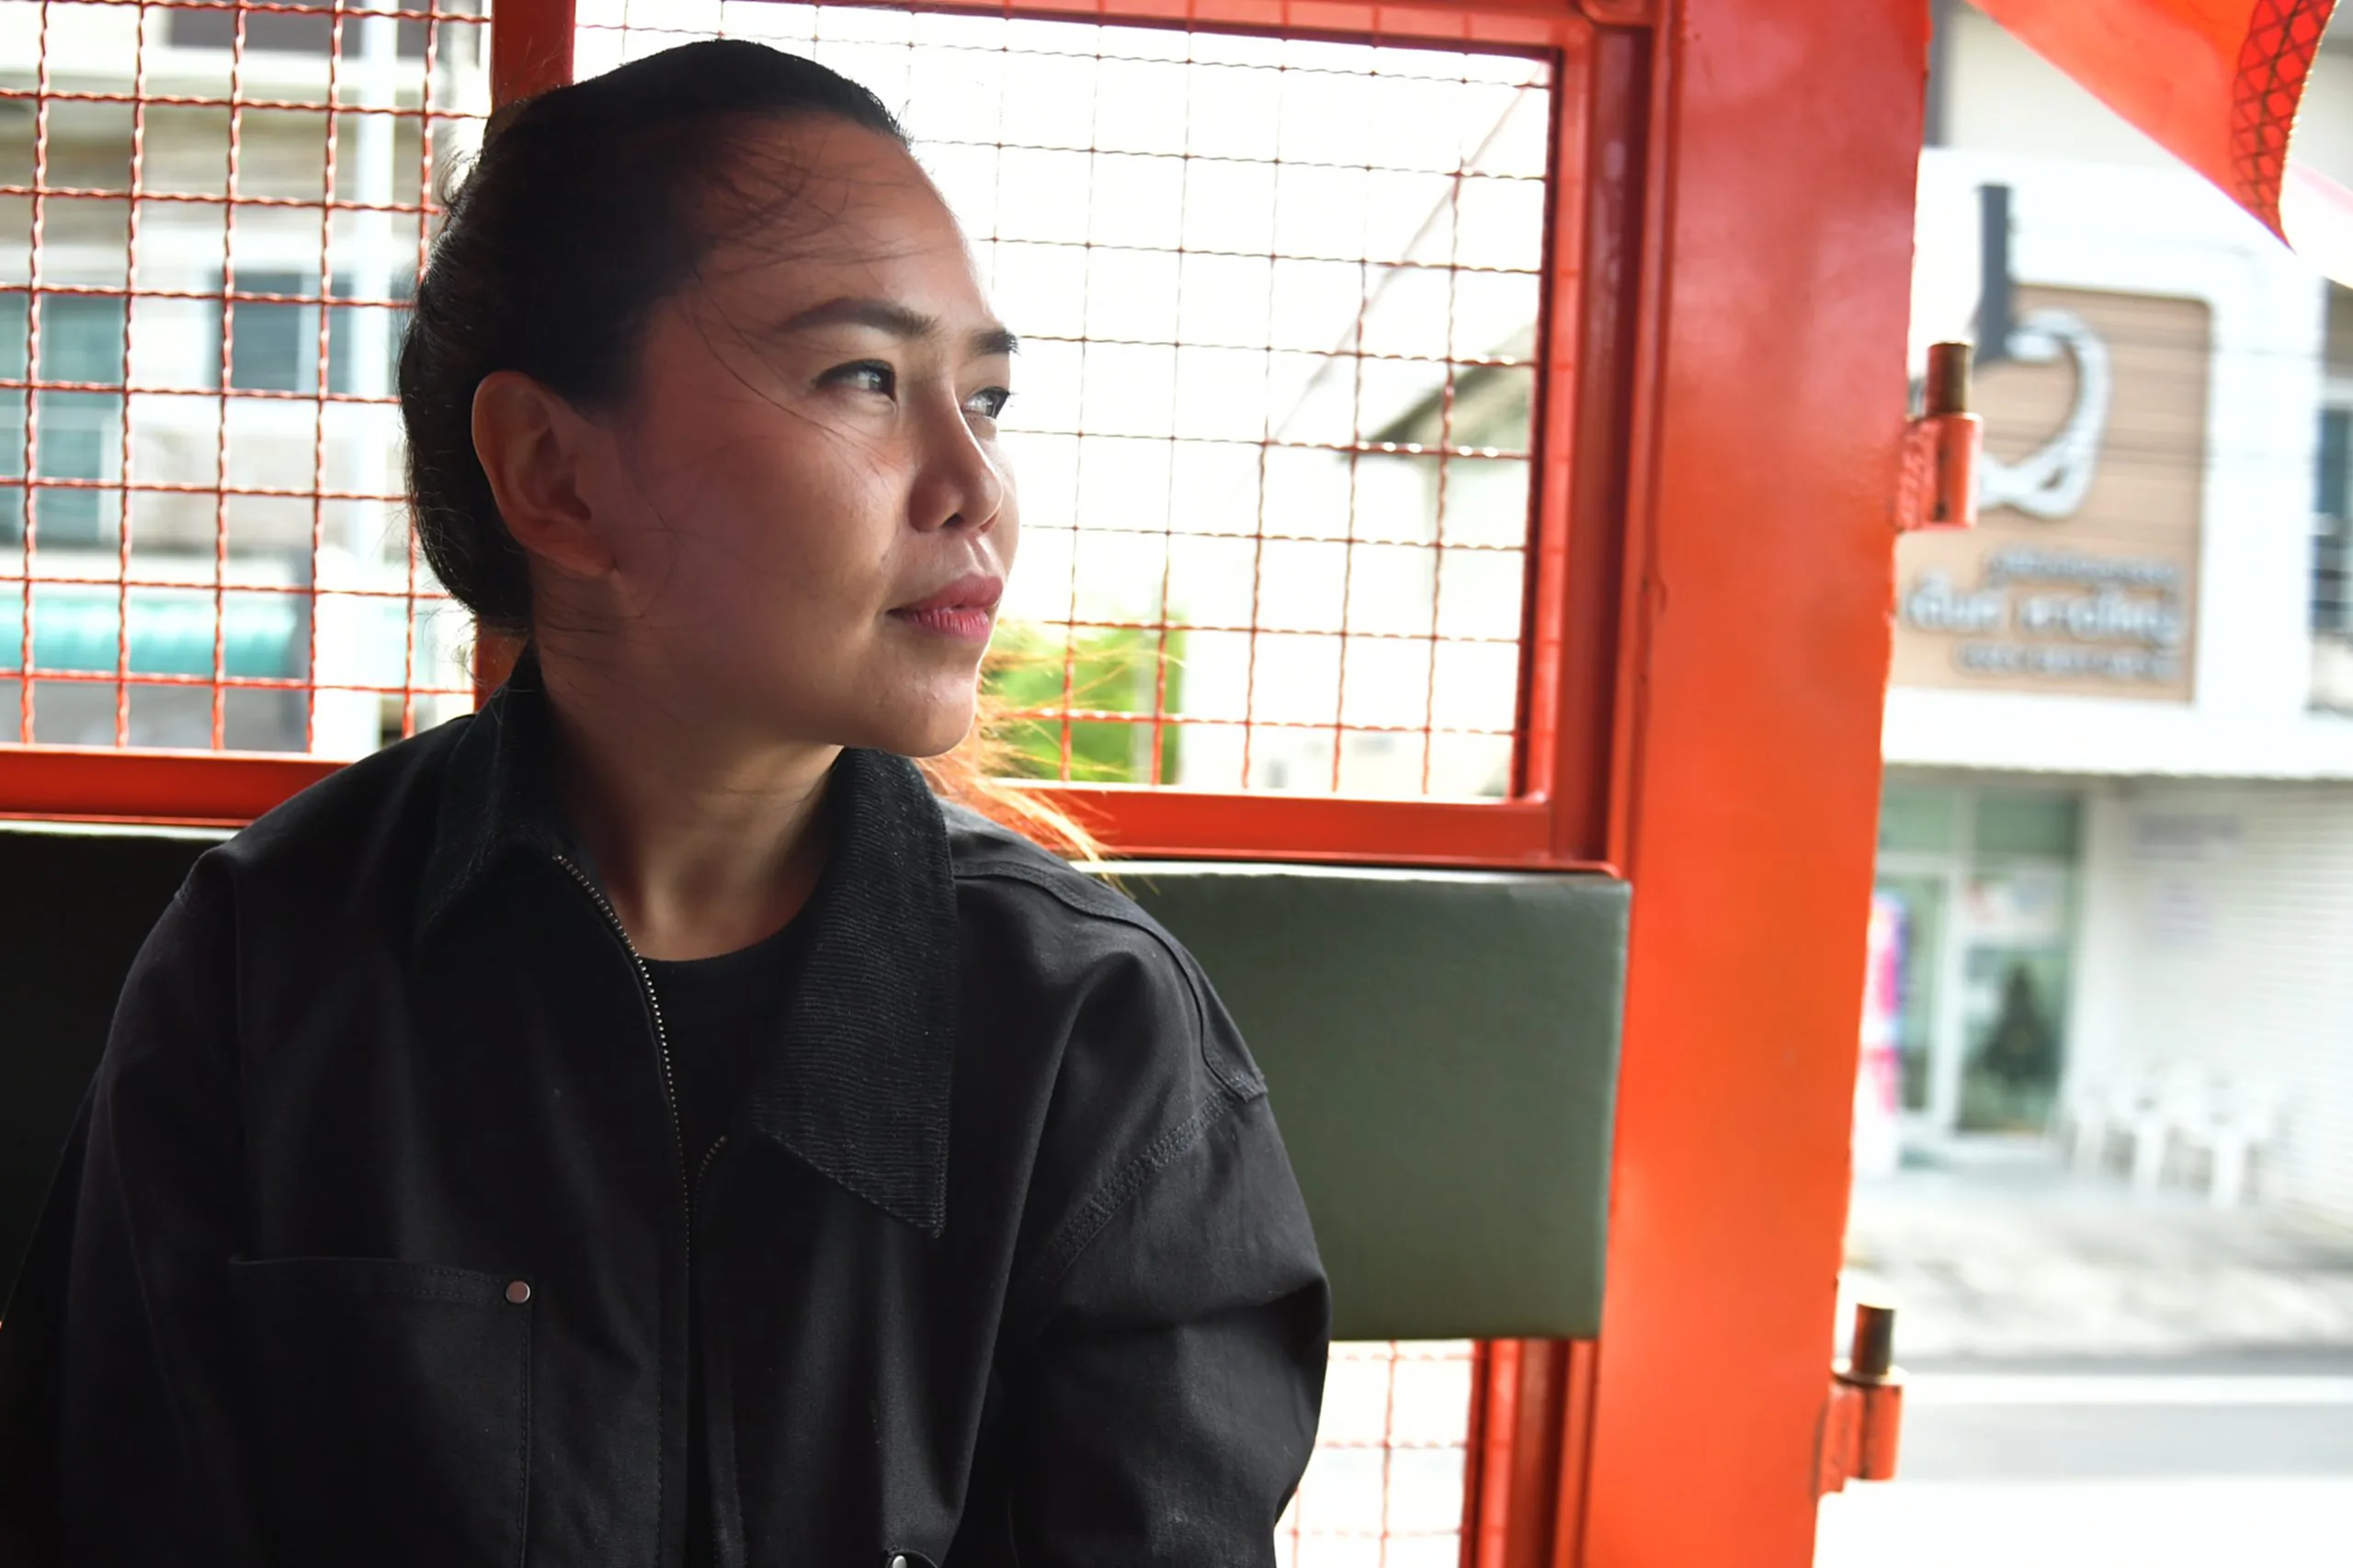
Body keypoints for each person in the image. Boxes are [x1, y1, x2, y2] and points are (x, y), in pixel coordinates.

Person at [0, 41, 1328, 1567]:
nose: (975, 485)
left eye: (987, 396)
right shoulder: (270, 956)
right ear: (555, 473)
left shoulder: (1094, 1034)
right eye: (865, 376)